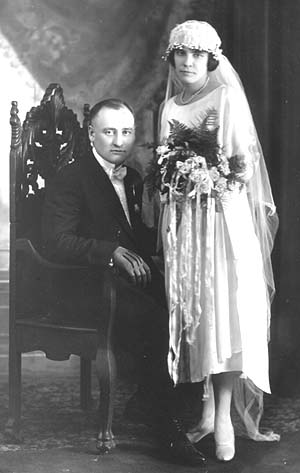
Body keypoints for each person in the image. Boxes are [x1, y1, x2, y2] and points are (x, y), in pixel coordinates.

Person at [42, 98, 206, 465]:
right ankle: (164, 427)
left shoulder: (130, 177)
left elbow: (134, 236)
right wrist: (109, 251)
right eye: (109, 131)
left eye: (126, 132)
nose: (119, 140)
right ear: (91, 134)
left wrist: (172, 246)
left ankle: (157, 405)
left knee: (187, 307)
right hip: (80, 288)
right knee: (154, 319)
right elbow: (55, 241)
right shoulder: (71, 177)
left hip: (121, 283)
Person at [158, 20, 280, 462]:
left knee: (224, 320)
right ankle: (208, 411)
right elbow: (164, 167)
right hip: (187, 226)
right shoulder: (170, 107)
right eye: (180, 54)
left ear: (211, 59)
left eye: (197, 54)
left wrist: (209, 179)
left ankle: (225, 416)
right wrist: (178, 179)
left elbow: (242, 168)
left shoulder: (225, 97)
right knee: (199, 320)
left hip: (223, 224)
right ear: (171, 59)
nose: (188, 62)